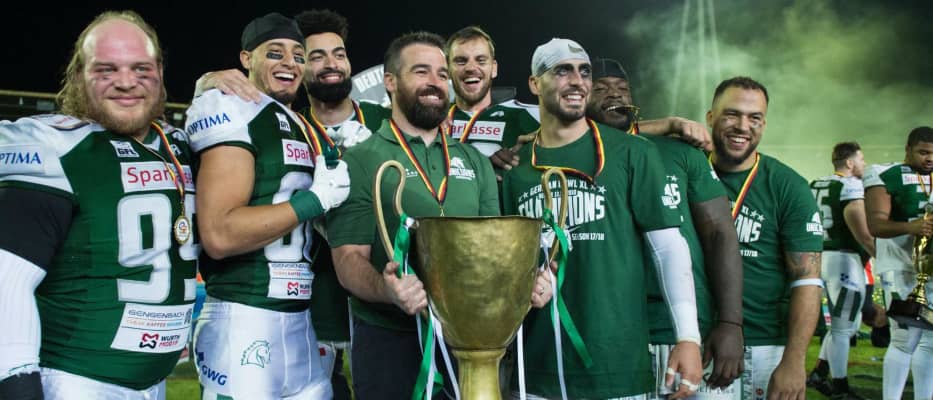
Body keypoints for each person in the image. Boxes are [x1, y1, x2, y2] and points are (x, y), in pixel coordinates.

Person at [326, 31, 553, 399]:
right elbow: (348, 260)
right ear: (390, 82)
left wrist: (529, 284)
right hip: (390, 342)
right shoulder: (362, 160)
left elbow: (494, 254)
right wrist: (387, 290)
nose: (435, 82)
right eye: (421, 71)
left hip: (467, 340)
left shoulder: (474, 161)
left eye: (442, 74)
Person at [0, 11, 196, 399]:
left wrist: (212, 84)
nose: (126, 81)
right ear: (78, 76)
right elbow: (8, 281)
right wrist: (17, 382)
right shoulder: (55, 147)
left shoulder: (178, 146)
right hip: (76, 382)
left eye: (140, 68)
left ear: (159, 72)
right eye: (106, 69)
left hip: (154, 385)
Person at [501, 38, 703, 399]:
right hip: (535, 369)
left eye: (584, 72)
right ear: (534, 83)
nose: (577, 81)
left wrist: (688, 337)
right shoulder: (516, 169)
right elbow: (505, 262)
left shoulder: (633, 152)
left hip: (617, 367)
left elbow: (669, 248)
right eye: (562, 71)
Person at [185, 12, 349, 399]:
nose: (289, 63)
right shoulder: (228, 106)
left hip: (302, 322)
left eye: (298, 55)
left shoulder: (299, 124)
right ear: (246, 59)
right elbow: (220, 234)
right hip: (245, 314)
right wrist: (314, 200)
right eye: (275, 53)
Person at [585, 57, 745, 398]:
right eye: (600, 88)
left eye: (622, 88)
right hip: (611, 333)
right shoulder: (570, 159)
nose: (615, 94)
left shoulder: (678, 153)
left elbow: (720, 233)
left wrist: (731, 324)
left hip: (684, 329)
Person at [706, 76, 823, 400]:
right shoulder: (686, 170)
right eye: (732, 114)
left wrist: (794, 361)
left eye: (754, 117)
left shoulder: (787, 186)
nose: (743, 126)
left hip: (764, 345)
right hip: (696, 340)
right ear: (710, 117)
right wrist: (672, 125)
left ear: (764, 124)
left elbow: (807, 280)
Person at [863, 126, 933, 400]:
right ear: (908, 149)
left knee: (930, 342)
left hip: (930, 269)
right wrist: (912, 226)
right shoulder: (885, 173)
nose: (929, 158)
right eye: (923, 152)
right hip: (900, 267)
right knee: (905, 340)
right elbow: (876, 224)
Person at [806, 142, 876, 399]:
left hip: (819, 257)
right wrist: (880, 255)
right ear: (849, 162)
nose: (864, 164)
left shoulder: (816, 183)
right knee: (844, 328)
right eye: (861, 159)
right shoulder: (851, 186)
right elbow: (862, 233)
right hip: (844, 260)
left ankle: (819, 372)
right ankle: (840, 387)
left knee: (845, 324)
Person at [444, 26, 541, 175]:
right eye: (461, 61)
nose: (471, 68)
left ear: (494, 69)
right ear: (447, 69)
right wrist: (479, 155)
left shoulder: (533, 115)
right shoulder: (434, 119)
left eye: (481, 61)